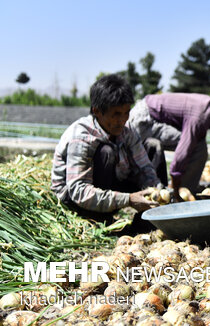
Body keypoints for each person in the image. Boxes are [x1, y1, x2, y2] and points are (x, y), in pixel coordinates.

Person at [51, 74, 161, 224]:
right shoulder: (82, 137)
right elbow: (78, 191)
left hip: (111, 183)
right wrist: (128, 200)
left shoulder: (126, 130)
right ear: (97, 111)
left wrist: (158, 191)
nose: (122, 120)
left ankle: (151, 218)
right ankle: (99, 219)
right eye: (116, 114)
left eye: (126, 113)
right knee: (106, 152)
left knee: (153, 146)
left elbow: (144, 167)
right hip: (76, 198)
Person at [128, 92, 210, 197]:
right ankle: (180, 192)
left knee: (198, 145)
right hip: (144, 119)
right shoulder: (200, 116)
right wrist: (175, 179)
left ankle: (185, 191)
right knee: (196, 146)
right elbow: (184, 149)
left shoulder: (206, 108)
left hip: (151, 117)